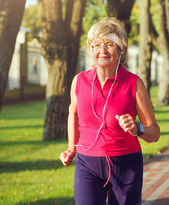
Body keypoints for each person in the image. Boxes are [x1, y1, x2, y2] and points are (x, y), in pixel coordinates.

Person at [60, 17, 160, 205]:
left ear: (121, 50)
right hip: (87, 164)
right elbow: (73, 112)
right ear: (90, 50)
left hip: (126, 164)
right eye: (96, 44)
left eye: (109, 44)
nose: (102, 50)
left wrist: (138, 128)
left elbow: (154, 133)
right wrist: (71, 147)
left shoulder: (134, 83)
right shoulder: (79, 81)